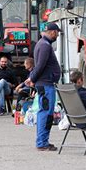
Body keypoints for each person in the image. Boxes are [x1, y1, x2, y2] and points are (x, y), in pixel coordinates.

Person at [25, 23, 61, 151]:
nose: (57, 35)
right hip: (46, 85)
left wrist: (32, 78)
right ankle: (42, 142)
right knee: (46, 113)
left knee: (45, 112)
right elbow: (40, 66)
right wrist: (32, 79)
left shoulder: (42, 44)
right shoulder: (45, 46)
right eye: (57, 32)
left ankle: (43, 141)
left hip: (45, 84)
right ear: (52, 32)